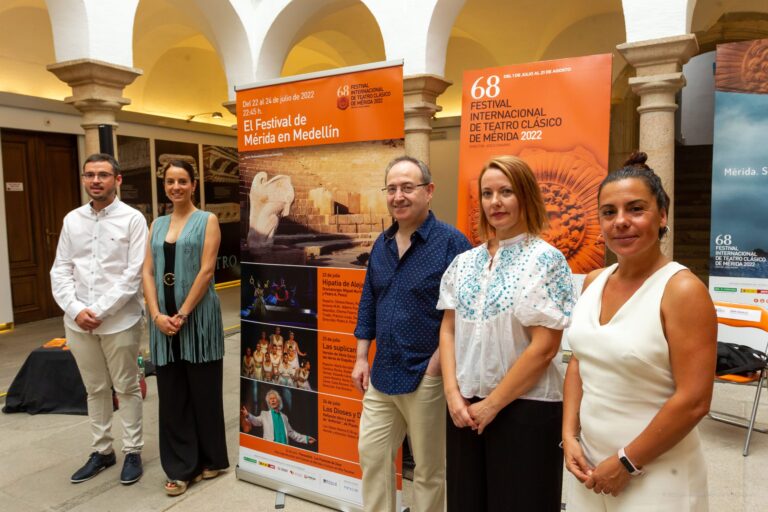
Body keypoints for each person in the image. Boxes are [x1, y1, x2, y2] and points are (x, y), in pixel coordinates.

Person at [562, 152, 717, 511]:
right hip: (591, 465)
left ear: (662, 215)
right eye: (609, 212)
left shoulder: (681, 290)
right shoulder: (593, 281)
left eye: (635, 209)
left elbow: (694, 401)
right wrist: (569, 436)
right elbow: (578, 363)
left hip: (657, 473)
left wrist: (627, 462)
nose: (621, 222)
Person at [437, 156, 576, 511]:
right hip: (464, 410)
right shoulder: (464, 262)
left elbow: (544, 349)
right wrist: (453, 395)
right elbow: (449, 329)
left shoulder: (546, 260)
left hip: (525, 410)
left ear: (525, 196)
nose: (494, 202)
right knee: (466, 502)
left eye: (506, 192)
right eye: (487, 193)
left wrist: (493, 404)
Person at [353, 156, 471, 512]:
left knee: (428, 469)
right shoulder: (382, 243)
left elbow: (466, 314)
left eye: (407, 187)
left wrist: (437, 365)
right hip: (383, 372)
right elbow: (369, 299)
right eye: (391, 188)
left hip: (427, 375)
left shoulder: (453, 244)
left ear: (429, 191)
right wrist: (361, 356)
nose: (398, 196)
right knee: (372, 457)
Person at [50, 153, 147, 485]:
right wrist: (77, 310)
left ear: (117, 180)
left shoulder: (133, 219)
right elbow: (61, 269)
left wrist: (100, 311)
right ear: (83, 178)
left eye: (103, 175)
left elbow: (133, 275)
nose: (95, 181)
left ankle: (133, 450)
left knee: (127, 387)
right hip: (77, 322)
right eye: (89, 175)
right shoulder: (72, 220)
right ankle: (103, 451)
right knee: (94, 388)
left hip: (120, 320)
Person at [142, 160, 228, 496]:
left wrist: (182, 313)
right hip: (163, 322)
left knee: (204, 390)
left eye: (182, 181)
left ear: (193, 185)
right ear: (164, 186)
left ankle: (211, 459)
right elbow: (147, 272)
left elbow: (207, 271)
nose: (175, 187)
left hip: (198, 318)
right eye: (169, 182)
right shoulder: (157, 224)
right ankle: (180, 467)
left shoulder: (208, 220)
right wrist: (156, 314)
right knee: (172, 394)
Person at [240, 390, 316, 445]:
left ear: (278, 401)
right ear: (269, 403)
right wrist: (247, 415)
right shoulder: (264, 414)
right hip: (270, 448)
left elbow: (291, 433)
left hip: (284, 449)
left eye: (274, 398)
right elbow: (256, 421)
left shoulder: (284, 417)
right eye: (270, 399)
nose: (272, 400)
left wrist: (306, 439)